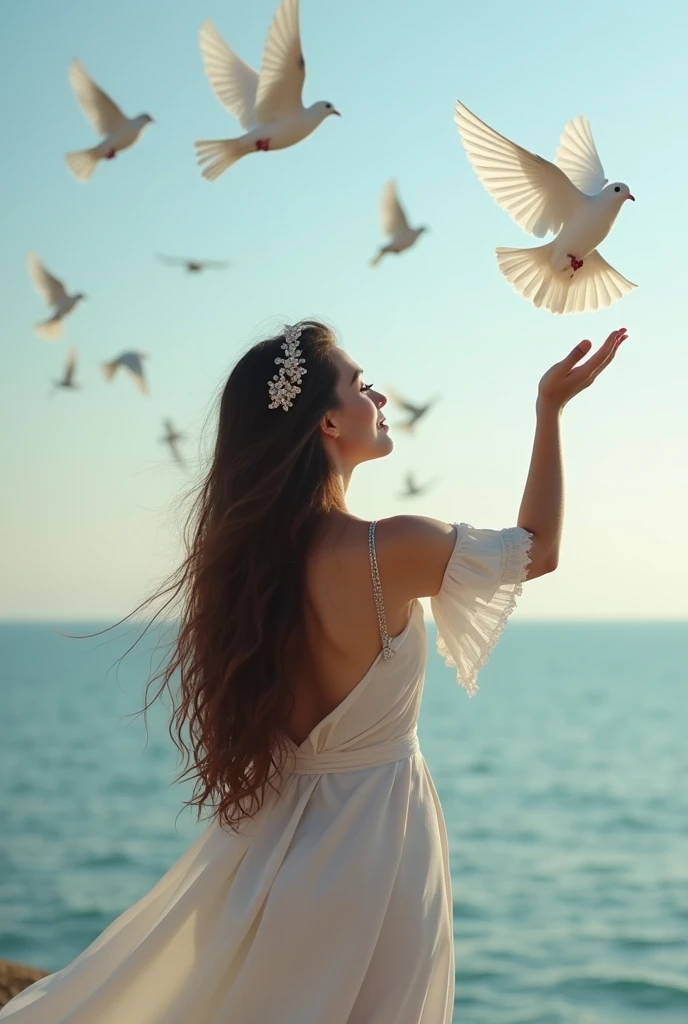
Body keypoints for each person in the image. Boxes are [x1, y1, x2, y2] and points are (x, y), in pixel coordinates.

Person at [1, 320, 628, 1023]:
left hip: (269, 855)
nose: (380, 395)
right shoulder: (386, 549)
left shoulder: (243, 572)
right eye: (362, 386)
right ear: (328, 420)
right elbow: (536, 551)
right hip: (377, 851)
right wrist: (551, 410)